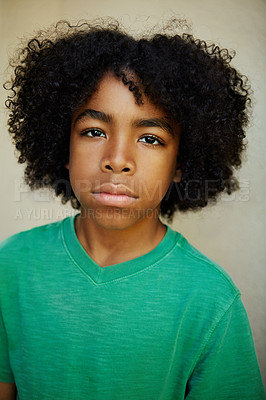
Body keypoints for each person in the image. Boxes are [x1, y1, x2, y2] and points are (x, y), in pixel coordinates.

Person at [0, 19, 264, 400]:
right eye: (93, 131)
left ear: (181, 165)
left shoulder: (210, 299)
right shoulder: (12, 267)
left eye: (150, 138)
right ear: (63, 149)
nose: (117, 159)